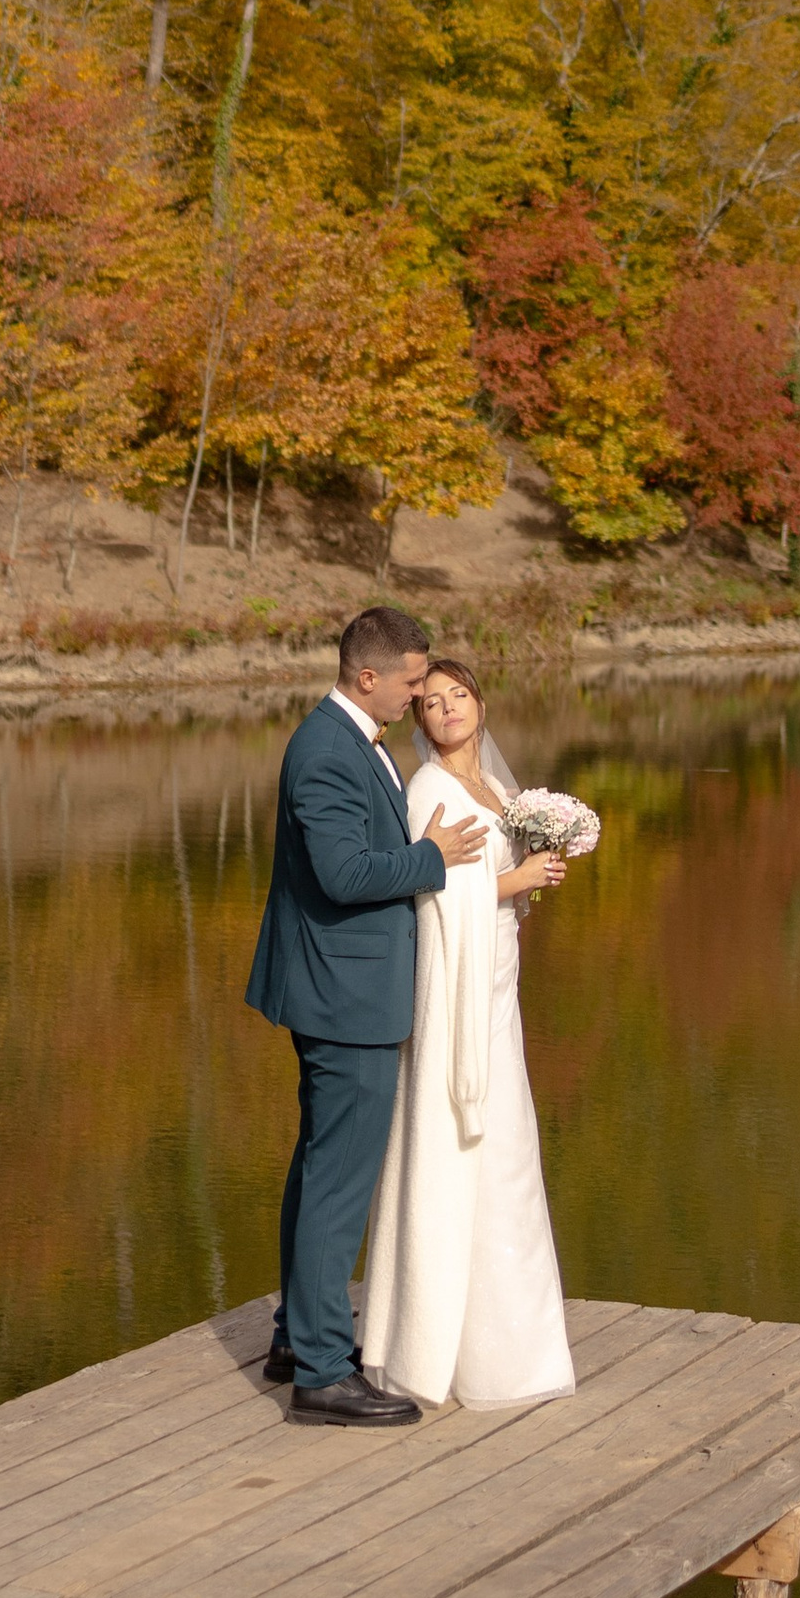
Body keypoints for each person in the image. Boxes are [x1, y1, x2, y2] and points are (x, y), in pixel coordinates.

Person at [245, 602, 486, 1426]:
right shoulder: (325, 751)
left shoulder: (354, 741)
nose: (422, 697)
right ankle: (320, 1371)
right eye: (415, 682)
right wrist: (433, 859)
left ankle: (292, 1335)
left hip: (339, 986)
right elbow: (345, 875)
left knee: (320, 1166)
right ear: (370, 675)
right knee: (338, 1181)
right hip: (342, 996)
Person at [359, 658, 577, 1409]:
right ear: (419, 722)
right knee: (460, 1146)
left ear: (482, 705)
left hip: (497, 987)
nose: (448, 710)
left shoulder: (499, 790)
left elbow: (497, 886)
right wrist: (513, 884)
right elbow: (434, 890)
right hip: (453, 994)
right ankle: (440, 1350)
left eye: (459, 696)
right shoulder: (429, 789)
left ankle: (519, 1348)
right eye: (434, 702)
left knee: (510, 1156)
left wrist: (534, 880)